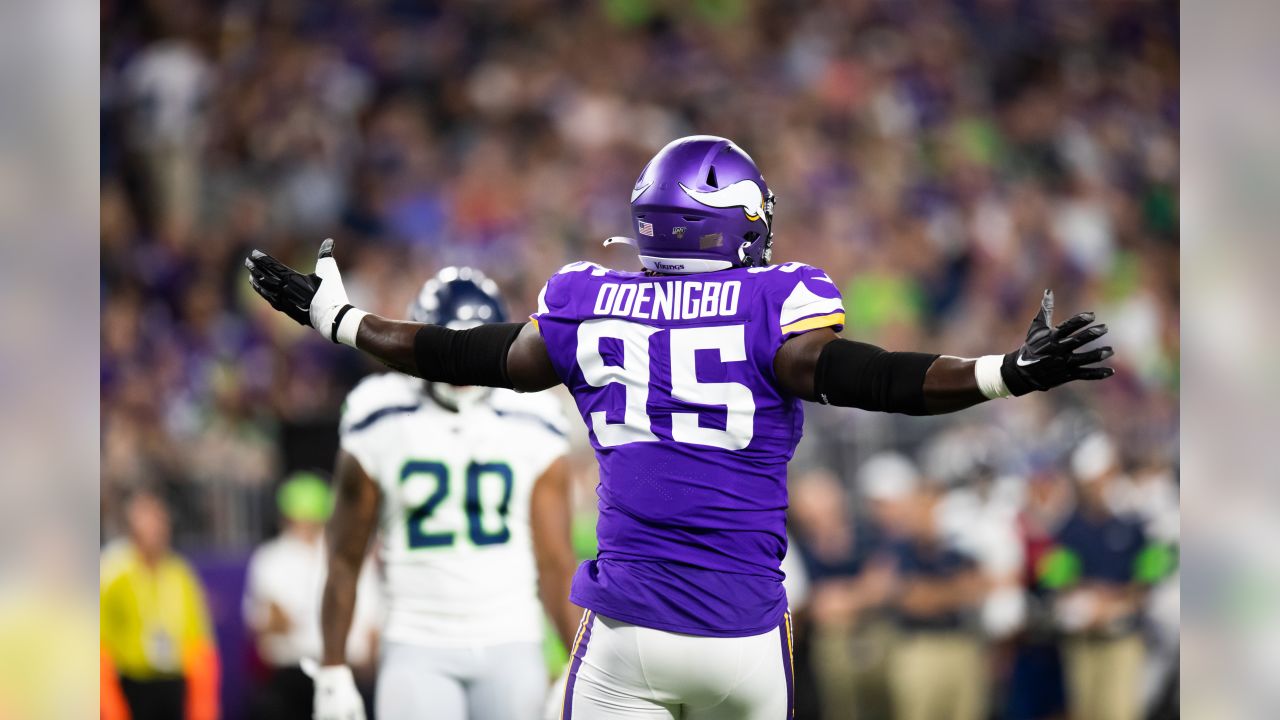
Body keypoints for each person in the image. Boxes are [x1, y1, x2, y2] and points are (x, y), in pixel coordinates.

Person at [245, 135, 1115, 719]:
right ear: (733, 223)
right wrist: (1003, 373)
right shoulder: (778, 302)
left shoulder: (592, 301)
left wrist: (344, 322)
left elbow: (464, 354)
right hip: (742, 635)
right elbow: (874, 379)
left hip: (626, 635)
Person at [308, 268, 578, 720]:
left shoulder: (534, 416)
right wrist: (333, 667)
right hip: (417, 639)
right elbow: (344, 555)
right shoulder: (379, 413)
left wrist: (574, 661)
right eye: (450, 345)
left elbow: (555, 558)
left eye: (472, 345)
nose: (460, 365)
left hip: (512, 636)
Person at [243, 472, 380, 720]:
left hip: (345, 673)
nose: (305, 525)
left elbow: (371, 624)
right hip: (293, 676)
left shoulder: (346, 555)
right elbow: (273, 623)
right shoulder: (270, 558)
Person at [100, 489, 220, 720]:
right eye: (147, 521)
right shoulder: (113, 573)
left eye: (159, 520)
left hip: (172, 681)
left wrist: (203, 706)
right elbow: (100, 643)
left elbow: (198, 640)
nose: (155, 530)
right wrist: (110, 705)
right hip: (132, 682)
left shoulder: (180, 573)